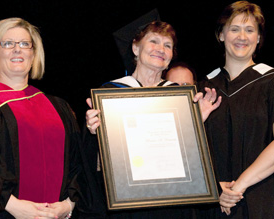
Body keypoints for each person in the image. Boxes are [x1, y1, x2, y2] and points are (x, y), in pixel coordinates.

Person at [84, 14, 221, 218]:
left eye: (168, 45)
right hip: (129, 201)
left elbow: (191, 161)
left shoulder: (180, 97)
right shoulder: (111, 94)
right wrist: (94, 133)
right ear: (136, 48)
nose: (161, 49)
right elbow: (97, 165)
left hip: (173, 200)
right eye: (154, 41)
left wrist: (194, 125)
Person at [0, 17, 103, 218]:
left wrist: (69, 205)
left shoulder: (59, 106)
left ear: (33, 54)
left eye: (25, 44)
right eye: (8, 43)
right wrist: (10, 204)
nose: (17, 49)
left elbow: (77, 163)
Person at [197, 1, 274, 218]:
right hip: (213, 203)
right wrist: (214, 187)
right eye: (234, 29)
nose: (242, 36)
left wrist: (238, 187)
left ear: (258, 38)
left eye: (250, 30)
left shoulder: (270, 81)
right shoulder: (202, 88)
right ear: (221, 35)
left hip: (261, 199)